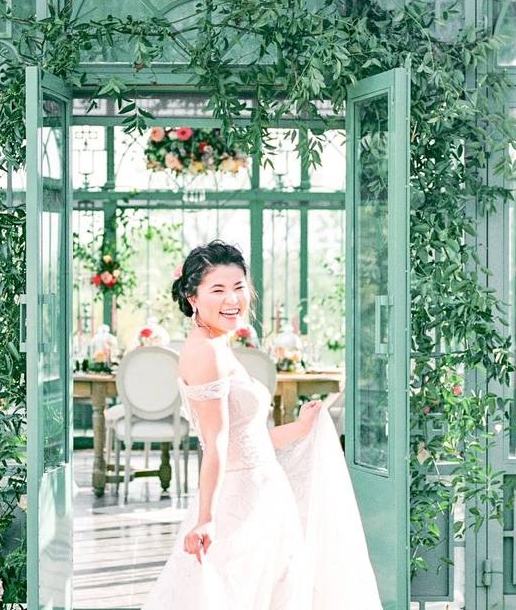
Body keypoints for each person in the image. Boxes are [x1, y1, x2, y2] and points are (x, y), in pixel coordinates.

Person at [143, 240, 381, 610]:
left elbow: (247, 440)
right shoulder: (205, 352)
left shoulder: (217, 345)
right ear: (193, 298)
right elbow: (217, 443)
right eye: (218, 290)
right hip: (240, 502)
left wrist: (301, 427)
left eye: (238, 287)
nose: (232, 299)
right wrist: (206, 518)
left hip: (262, 495)